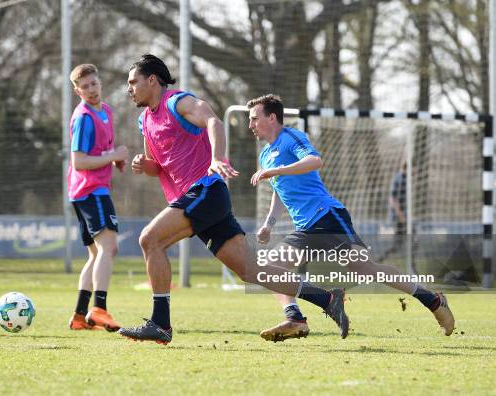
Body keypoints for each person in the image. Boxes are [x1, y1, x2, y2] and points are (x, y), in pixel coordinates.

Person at [117, 55, 343, 345]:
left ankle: (160, 324)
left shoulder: (178, 102)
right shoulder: (144, 119)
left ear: (152, 80)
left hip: (205, 191)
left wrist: (216, 158)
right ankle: (327, 299)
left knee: (150, 239)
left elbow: (214, 120)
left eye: (133, 82)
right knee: (249, 270)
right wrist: (141, 165)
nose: (129, 89)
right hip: (197, 198)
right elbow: (156, 166)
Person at [247, 94, 455, 339]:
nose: (250, 125)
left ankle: (432, 299)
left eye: (254, 118)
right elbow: (279, 191)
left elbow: (315, 161)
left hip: (326, 217)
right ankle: (295, 318)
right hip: (305, 228)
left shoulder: (292, 137)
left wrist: (276, 170)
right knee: (268, 269)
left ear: (272, 117)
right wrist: (269, 224)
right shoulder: (265, 154)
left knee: (366, 268)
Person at [67, 63, 128, 332]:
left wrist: (114, 160)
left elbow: (103, 149)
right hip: (90, 189)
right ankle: (99, 308)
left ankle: (80, 316)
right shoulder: (83, 118)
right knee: (109, 248)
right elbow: (79, 161)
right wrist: (112, 157)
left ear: (100, 83)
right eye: (85, 87)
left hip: (88, 190)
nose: (91, 90)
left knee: (94, 255)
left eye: (94, 83)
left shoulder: (106, 111)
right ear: (77, 91)